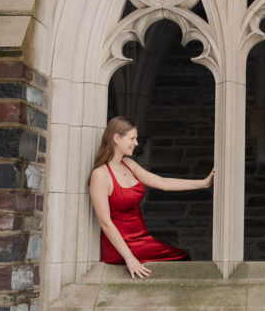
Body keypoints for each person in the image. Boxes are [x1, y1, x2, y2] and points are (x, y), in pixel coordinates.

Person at [88, 116, 214, 280]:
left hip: (142, 239)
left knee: (182, 258)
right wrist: (129, 257)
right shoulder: (100, 175)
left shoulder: (128, 164)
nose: (136, 143)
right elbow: (105, 222)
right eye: (132, 138)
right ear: (116, 138)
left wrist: (203, 183)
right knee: (181, 258)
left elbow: (163, 182)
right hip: (123, 245)